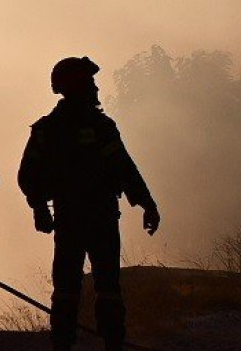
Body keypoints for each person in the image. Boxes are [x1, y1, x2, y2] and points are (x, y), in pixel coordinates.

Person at [18, 56, 160, 351]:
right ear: (75, 86)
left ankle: (65, 344)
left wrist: (40, 208)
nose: (95, 88)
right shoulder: (97, 127)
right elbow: (123, 168)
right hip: (99, 217)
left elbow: (28, 176)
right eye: (89, 82)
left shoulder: (48, 129)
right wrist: (146, 203)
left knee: (69, 288)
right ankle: (111, 343)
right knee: (105, 286)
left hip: (73, 218)